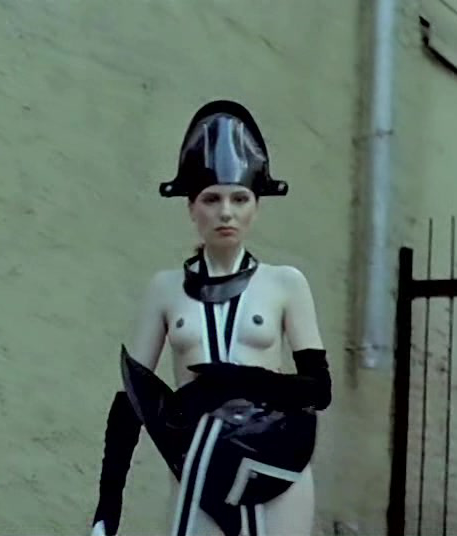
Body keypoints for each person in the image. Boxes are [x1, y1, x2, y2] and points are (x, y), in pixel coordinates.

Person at [90, 99, 332, 536]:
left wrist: (238, 380)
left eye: (239, 198)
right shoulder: (164, 289)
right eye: (211, 199)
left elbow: (319, 389)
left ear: (256, 205)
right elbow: (130, 403)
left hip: (274, 465)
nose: (225, 212)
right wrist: (108, 505)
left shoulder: (286, 283)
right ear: (191, 207)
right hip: (199, 465)